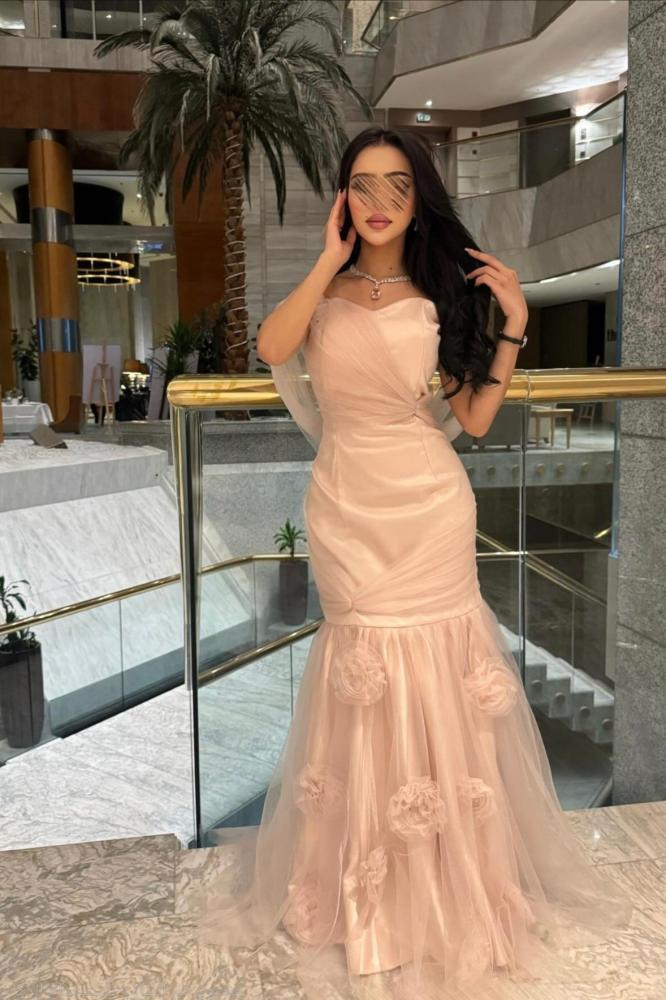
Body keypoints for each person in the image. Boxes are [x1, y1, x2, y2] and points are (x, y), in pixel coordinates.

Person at [188, 127, 633, 1000]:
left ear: (419, 195)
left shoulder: (442, 294)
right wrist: (327, 260)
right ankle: (364, 895)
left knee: (437, 674)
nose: (380, 200)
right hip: (347, 506)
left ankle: (447, 884)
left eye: (397, 183)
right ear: (343, 197)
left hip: (428, 506)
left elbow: (473, 421)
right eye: (362, 184)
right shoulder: (324, 292)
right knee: (363, 675)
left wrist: (514, 326)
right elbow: (273, 347)